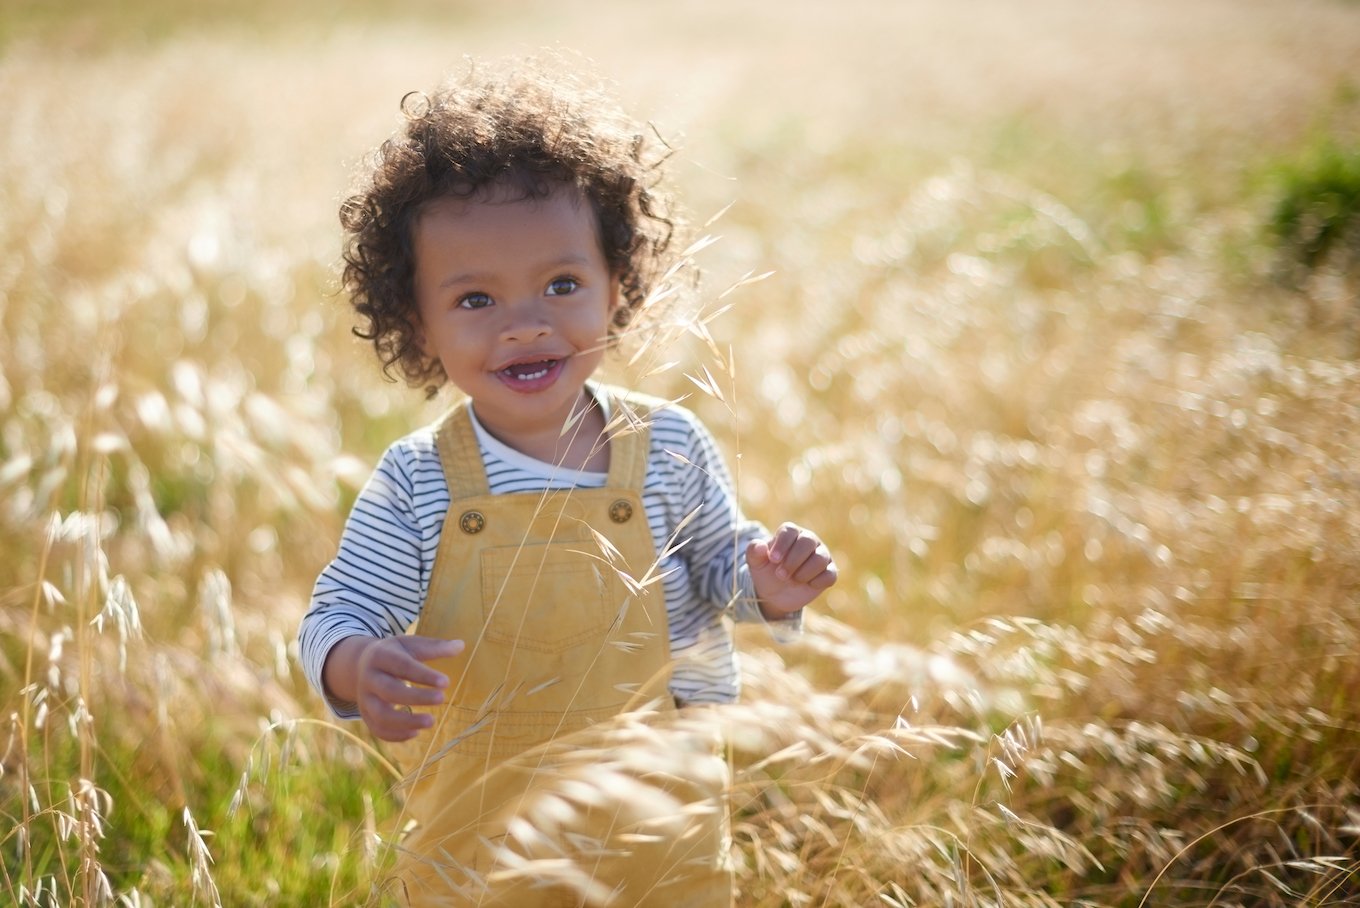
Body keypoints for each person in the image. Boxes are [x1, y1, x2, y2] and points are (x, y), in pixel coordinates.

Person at [297, 57, 836, 907]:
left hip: (660, 822)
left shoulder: (667, 446)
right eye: (476, 300)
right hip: (479, 837)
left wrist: (765, 582)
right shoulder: (419, 481)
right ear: (418, 323)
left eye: (562, 284)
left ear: (616, 286)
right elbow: (336, 615)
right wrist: (358, 666)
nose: (527, 323)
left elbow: (715, 573)